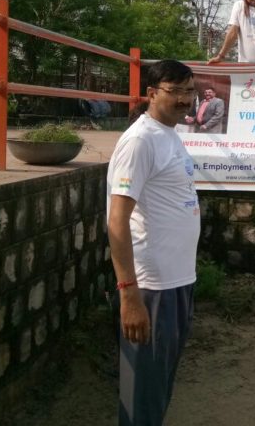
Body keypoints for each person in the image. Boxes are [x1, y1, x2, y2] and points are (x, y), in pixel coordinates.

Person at [106, 59, 201, 426]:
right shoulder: (140, 141)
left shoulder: (169, 135)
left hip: (178, 281)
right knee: (142, 393)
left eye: (189, 91)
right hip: (150, 286)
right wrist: (129, 295)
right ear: (150, 94)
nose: (184, 99)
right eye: (174, 91)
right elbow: (117, 221)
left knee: (159, 384)